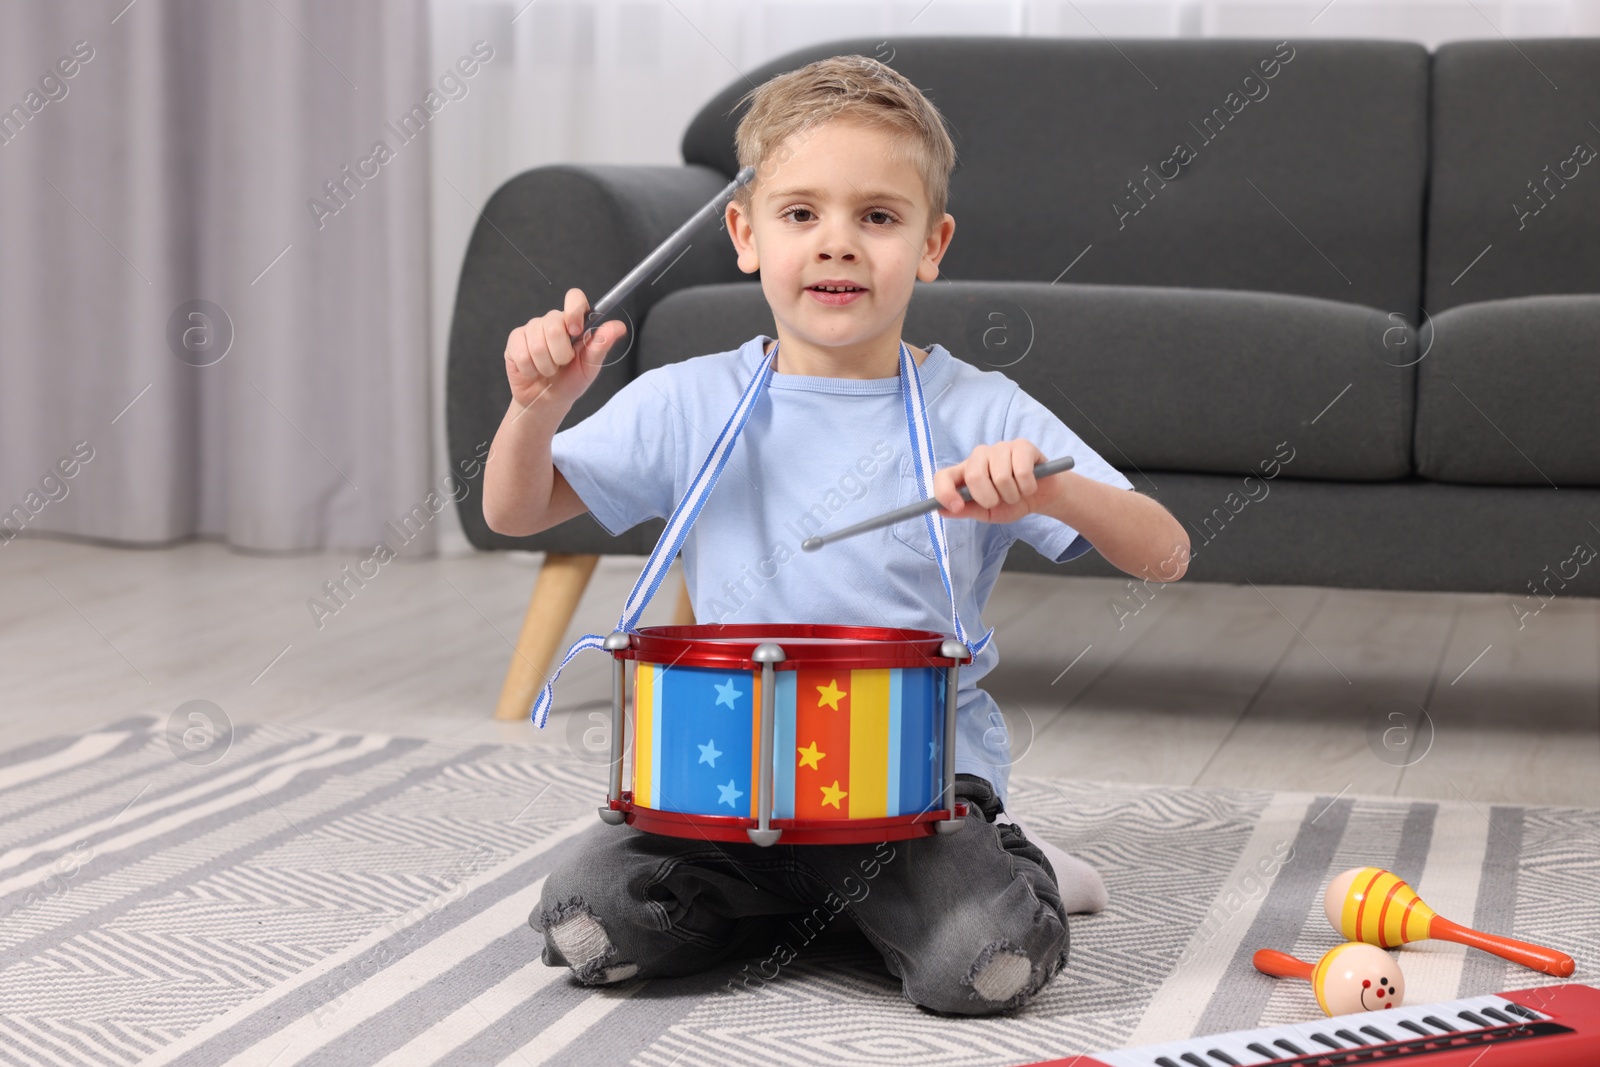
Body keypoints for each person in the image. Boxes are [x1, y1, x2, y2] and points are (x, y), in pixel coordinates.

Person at [481, 54, 1191, 1016]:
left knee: (985, 967)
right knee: (587, 922)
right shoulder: (694, 398)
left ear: (932, 245)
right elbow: (514, 511)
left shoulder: (977, 410)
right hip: (725, 792)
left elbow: (1166, 551)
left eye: (879, 217)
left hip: (914, 796)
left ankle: (989, 868)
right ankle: (828, 907)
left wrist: (1052, 492)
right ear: (745, 233)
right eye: (801, 213)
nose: (838, 244)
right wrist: (535, 409)